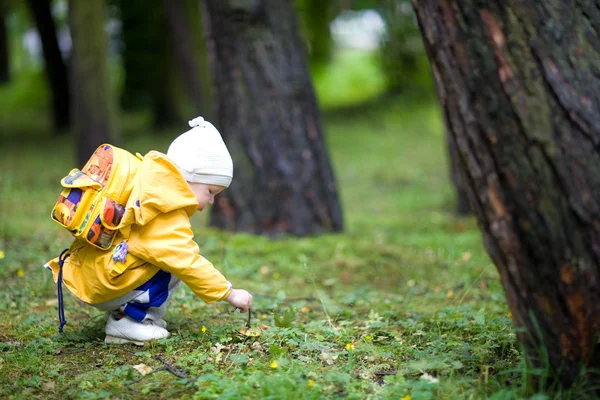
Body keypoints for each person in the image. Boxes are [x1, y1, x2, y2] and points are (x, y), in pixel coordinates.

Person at [44, 116, 253, 346]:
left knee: (165, 259)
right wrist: (230, 293)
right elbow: (188, 262)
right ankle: (129, 322)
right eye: (211, 190)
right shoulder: (165, 210)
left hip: (94, 269)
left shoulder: (151, 184)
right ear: (190, 178)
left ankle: (126, 314)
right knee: (173, 265)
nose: (212, 201)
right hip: (104, 281)